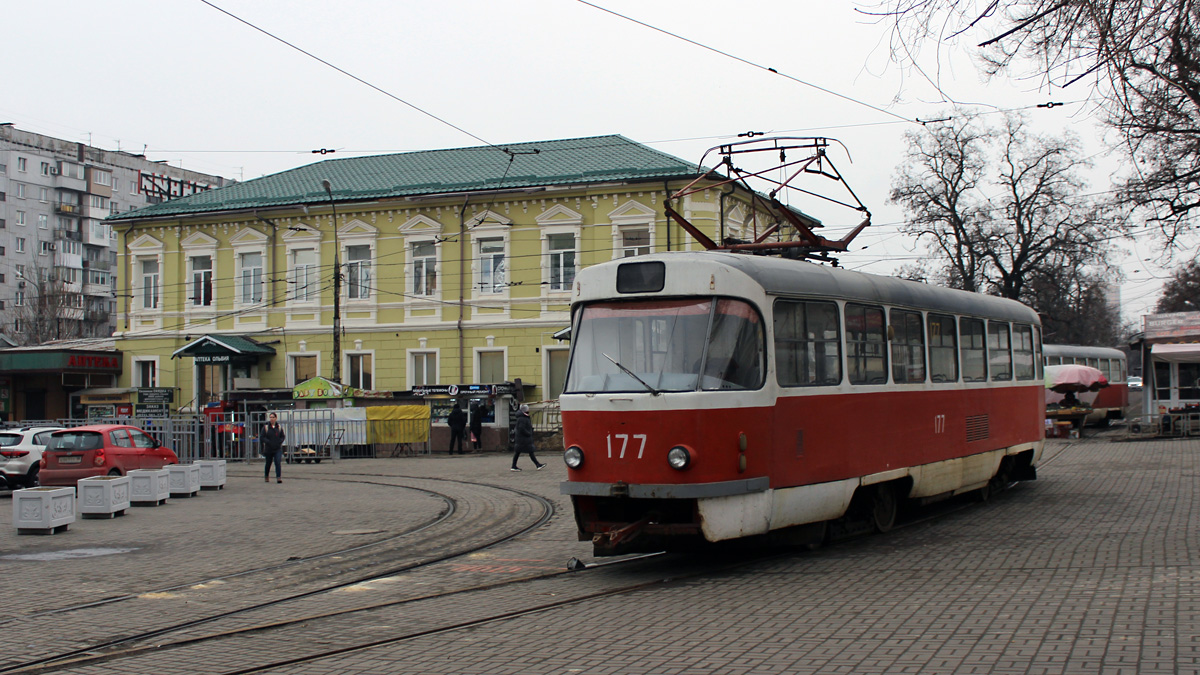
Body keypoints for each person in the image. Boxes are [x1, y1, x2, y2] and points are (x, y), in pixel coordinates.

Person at [510, 404, 545, 471]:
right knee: (529, 451)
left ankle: (514, 466)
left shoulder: (523, 417)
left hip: (522, 439)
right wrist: (528, 433)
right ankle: (537, 464)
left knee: (519, 452)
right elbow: (521, 428)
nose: (528, 410)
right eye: (527, 409)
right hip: (523, 439)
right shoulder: (522, 418)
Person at [260, 412, 285, 484]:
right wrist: (268, 442)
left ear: (276, 418)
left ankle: (278, 477)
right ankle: (266, 476)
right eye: (270, 417)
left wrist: (279, 441)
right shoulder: (266, 427)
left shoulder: (279, 427)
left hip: (277, 448)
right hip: (268, 449)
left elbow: (282, 436)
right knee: (268, 463)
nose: (272, 419)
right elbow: (262, 437)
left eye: (273, 417)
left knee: (277, 462)